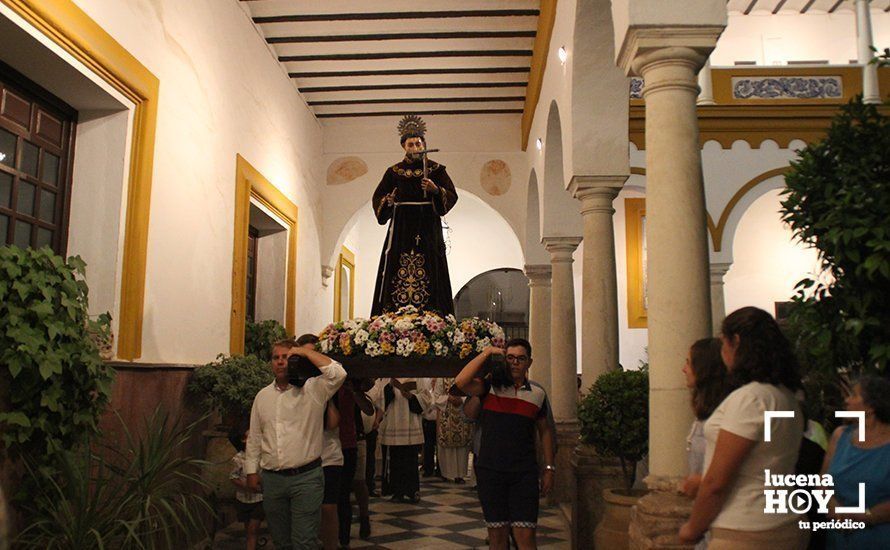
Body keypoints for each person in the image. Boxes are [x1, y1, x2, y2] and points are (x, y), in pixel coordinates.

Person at [679, 306, 808, 550]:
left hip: (747, 529)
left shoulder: (750, 399)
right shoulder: (785, 395)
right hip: (784, 519)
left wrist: (692, 528)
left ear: (735, 342)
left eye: (723, 343)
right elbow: (762, 460)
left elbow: (717, 483)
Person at [245, 339, 346, 550]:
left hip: (306, 478)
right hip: (272, 480)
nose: (281, 362)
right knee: (281, 542)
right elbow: (255, 437)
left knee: (304, 542)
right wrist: (251, 471)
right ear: (271, 363)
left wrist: (303, 352)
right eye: (276, 358)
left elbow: (338, 373)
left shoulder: (313, 390)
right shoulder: (262, 397)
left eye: (286, 357)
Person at [456, 338, 556, 550]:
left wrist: (549, 467)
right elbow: (461, 382)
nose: (515, 363)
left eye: (521, 358)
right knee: (497, 536)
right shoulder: (490, 387)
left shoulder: (537, 393)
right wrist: (486, 353)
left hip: (524, 472)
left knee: (525, 535)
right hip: (491, 471)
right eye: (510, 358)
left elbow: (545, 430)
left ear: (529, 362)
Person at [370, 114, 458, 317]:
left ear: (424, 144)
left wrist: (436, 190)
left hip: (427, 225)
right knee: (396, 265)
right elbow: (378, 198)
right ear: (404, 147)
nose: (416, 148)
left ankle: (433, 314)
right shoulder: (394, 172)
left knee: (431, 266)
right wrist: (389, 202)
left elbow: (452, 195)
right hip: (402, 226)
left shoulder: (436, 170)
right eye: (411, 144)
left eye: (418, 144)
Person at [821, 375, 890, 549]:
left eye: (853, 395)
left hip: (878, 538)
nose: (846, 400)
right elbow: (822, 482)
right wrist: (834, 508)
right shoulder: (840, 435)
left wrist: (861, 517)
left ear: (871, 406)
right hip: (839, 535)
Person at [294, 334, 342, 550]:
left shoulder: (326, 387)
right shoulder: (295, 386)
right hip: (304, 457)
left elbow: (332, 423)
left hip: (328, 456)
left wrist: (326, 397)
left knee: (328, 509)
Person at [681, 337, 730, 499]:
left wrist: (702, 482)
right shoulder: (704, 411)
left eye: (688, 363)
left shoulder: (726, 413)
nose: (684, 369)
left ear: (703, 368)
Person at [379, 377, 430, 503]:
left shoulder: (417, 376)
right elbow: (379, 399)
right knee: (395, 460)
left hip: (410, 424)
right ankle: (397, 492)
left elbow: (426, 399)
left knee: (411, 461)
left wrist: (411, 397)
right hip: (393, 424)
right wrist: (390, 387)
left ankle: (412, 491)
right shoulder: (388, 378)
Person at [228, 424, 265, 550]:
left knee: (253, 529)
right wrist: (246, 486)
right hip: (243, 499)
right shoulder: (238, 459)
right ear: (243, 439)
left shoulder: (262, 456)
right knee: (249, 531)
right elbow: (233, 477)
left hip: (259, 499)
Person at [431, 377, 473, 483]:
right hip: (447, 413)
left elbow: (471, 392)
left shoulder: (466, 374)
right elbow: (437, 396)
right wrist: (448, 398)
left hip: (462, 412)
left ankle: (459, 475)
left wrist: (461, 400)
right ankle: (446, 473)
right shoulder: (442, 377)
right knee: (446, 445)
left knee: (462, 448)